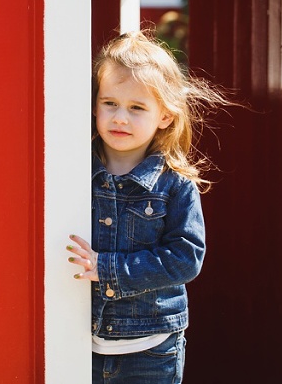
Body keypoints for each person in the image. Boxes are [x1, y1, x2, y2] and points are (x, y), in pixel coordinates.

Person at [68, 32, 221, 383]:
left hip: (151, 350)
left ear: (165, 116)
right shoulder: (73, 173)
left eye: (137, 108)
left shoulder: (175, 184)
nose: (120, 117)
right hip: (78, 343)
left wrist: (107, 269)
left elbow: (185, 258)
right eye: (110, 103)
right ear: (95, 105)